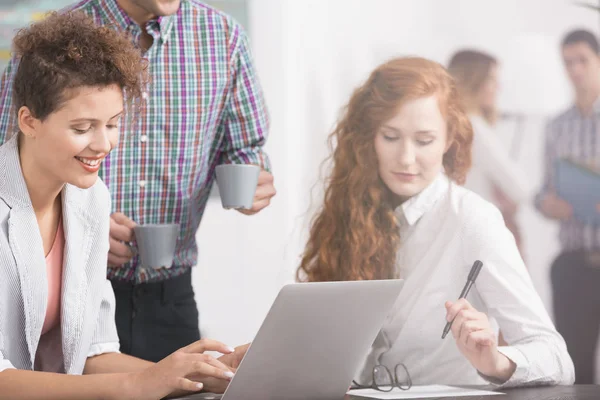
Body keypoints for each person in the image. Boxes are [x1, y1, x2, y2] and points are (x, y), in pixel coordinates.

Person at [0, 0, 276, 363]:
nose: (102, 143)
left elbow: (246, 149)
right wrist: (77, 227)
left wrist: (252, 180)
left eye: (114, 124)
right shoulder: (51, 48)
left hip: (169, 292)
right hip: (56, 276)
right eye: (84, 127)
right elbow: (16, 157)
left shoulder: (223, 38)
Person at [298, 57, 574, 387]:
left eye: (424, 140)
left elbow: (557, 358)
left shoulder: (472, 220)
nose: (405, 158)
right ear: (368, 138)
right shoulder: (351, 212)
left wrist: (496, 362)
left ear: (448, 140)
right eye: (390, 137)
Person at [536, 29, 600, 384]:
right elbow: (541, 191)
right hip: (574, 265)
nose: (575, 70)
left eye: (582, 61)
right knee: (574, 369)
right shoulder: (556, 127)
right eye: (567, 62)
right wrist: (546, 203)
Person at [448, 50, 530, 258]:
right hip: (481, 238)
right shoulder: (474, 127)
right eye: (492, 80)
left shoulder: (447, 125)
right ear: (473, 81)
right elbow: (520, 189)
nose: (498, 87)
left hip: (455, 236)